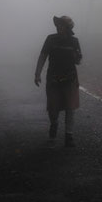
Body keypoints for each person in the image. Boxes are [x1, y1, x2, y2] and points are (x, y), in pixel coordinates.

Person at [34, 15, 82, 147]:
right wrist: (37, 73)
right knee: (53, 107)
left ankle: (69, 135)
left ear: (68, 28)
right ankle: (54, 124)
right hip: (53, 77)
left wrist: (76, 57)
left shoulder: (74, 41)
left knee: (70, 107)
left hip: (70, 77)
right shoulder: (51, 39)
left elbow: (78, 61)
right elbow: (43, 55)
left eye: (62, 25)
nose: (59, 27)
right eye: (58, 25)